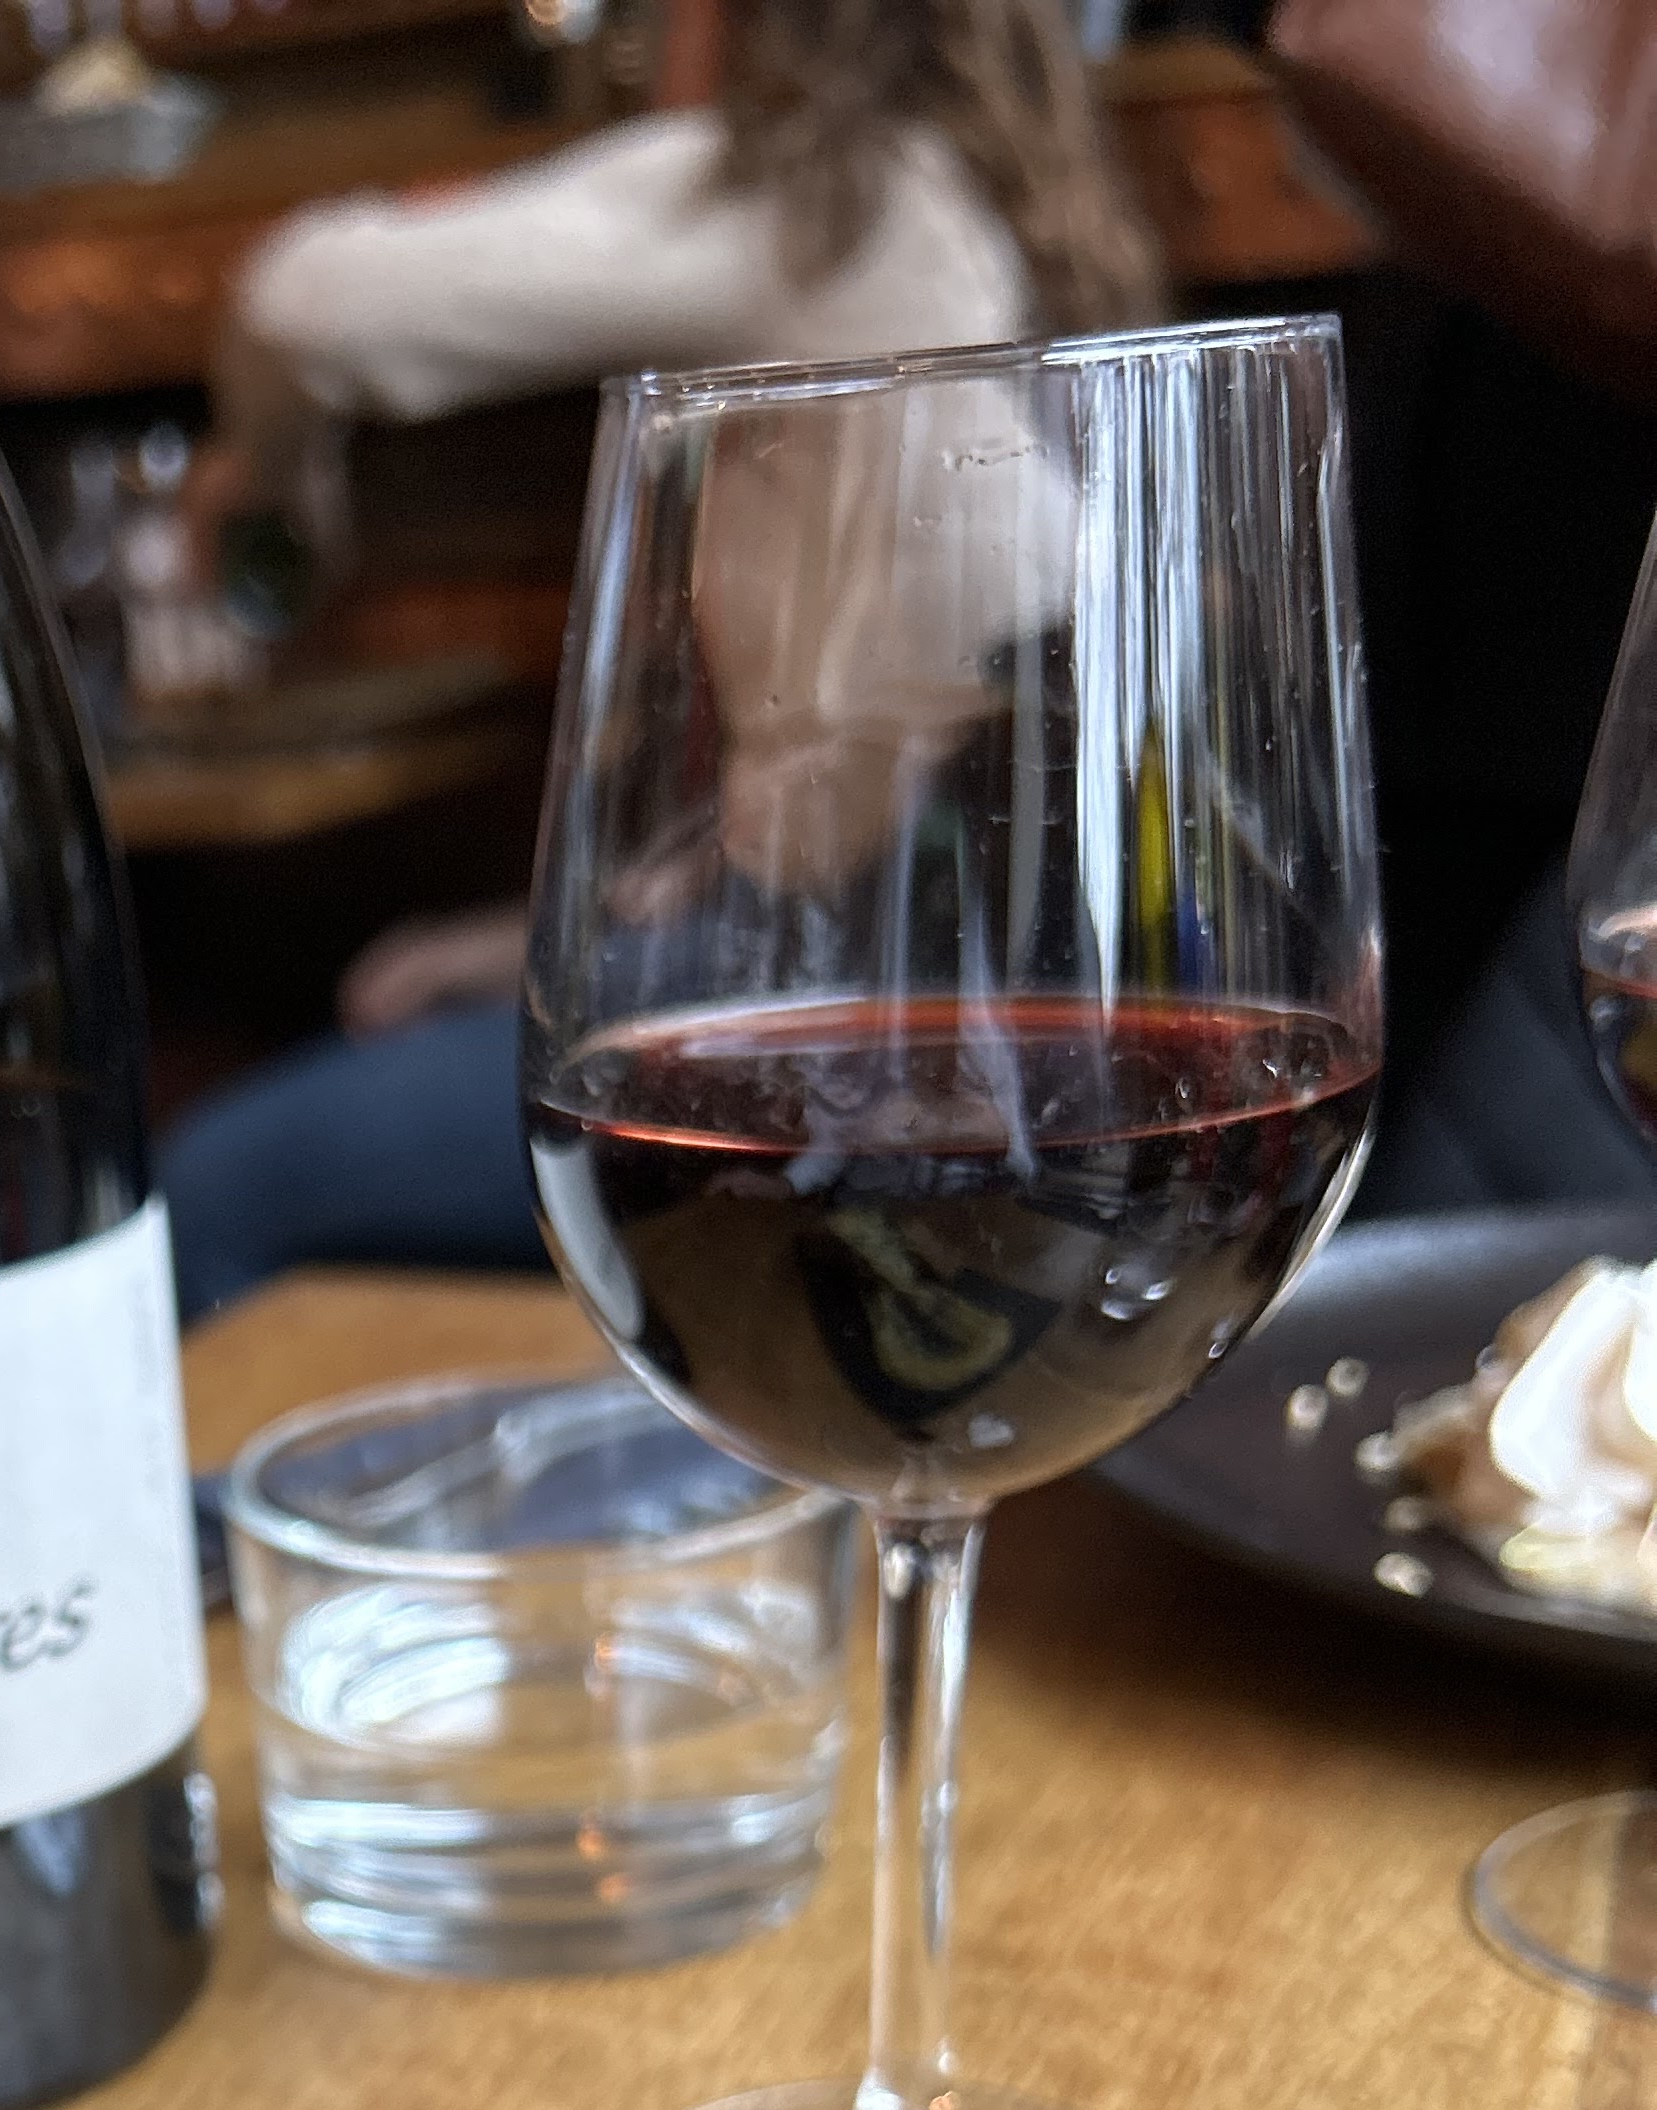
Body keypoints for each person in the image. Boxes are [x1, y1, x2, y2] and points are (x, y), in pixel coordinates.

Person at [161, 0, 1159, 1324]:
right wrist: (561, 947)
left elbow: (302, 302)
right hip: (998, 958)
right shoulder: (1015, 220)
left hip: (847, 983)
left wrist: (263, 476)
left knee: (211, 1193)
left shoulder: (810, 194)